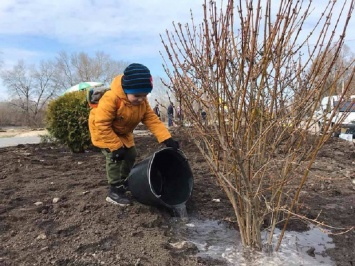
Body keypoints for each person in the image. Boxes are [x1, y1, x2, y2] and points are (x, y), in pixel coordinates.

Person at [89, 63, 179, 206]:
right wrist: (115, 146)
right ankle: (114, 190)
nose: (141, 99)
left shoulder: (142, 102)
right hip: (104, 132)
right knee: (115, 159)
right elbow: (102, 124)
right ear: (126, 89)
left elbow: (151, 119)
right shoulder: (111, 98)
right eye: (137, 95)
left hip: (123, 132)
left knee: (130, 154)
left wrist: (166, 138)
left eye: (144, 95)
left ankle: (125, 181)